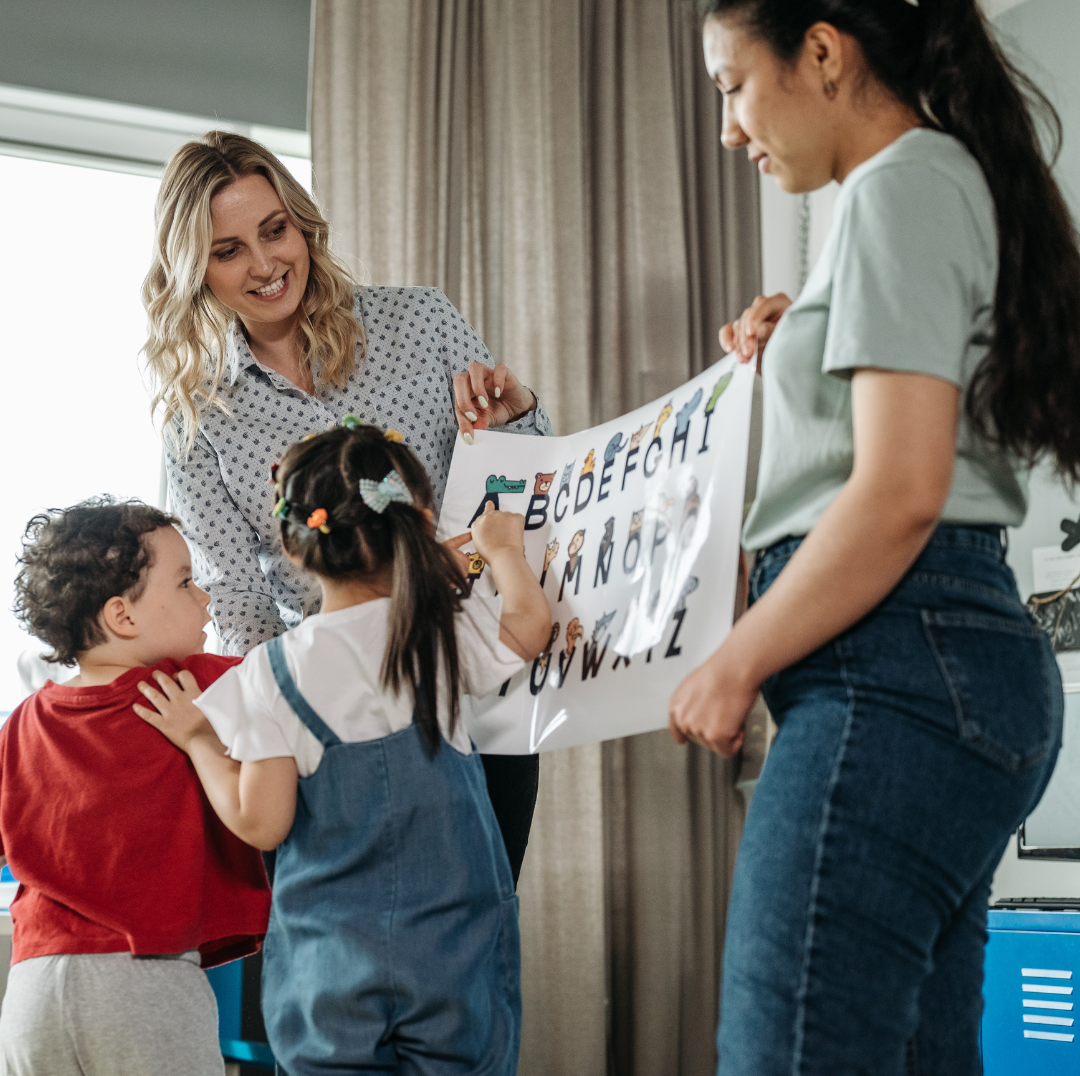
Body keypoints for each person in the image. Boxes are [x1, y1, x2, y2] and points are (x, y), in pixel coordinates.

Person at [669, 1, 1080, 1073]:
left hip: (896, 667)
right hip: (928, 662)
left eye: (732, 87)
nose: (728, 128)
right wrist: (802, 332)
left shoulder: (904, 181)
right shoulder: (920, 187)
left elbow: (899, 489)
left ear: (821, 50)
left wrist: (736, 660)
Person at [142, 132, 551, 884]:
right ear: (194, 270)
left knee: (475, 933)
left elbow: (525, 483)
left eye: (275, 230)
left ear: (302, 225)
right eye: (228, 250)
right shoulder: (197, 419)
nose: (266, 265)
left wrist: (517, 417)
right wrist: (287, 713)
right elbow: (237, 597)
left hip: (475, 687)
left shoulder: (419, 324)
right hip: (333, 726)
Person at [134, 423, 552, 1076]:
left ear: (295, 551)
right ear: (417, 525)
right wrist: (505, 552)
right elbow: (530, 628)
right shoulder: (434, 630)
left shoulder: (269, 671)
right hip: (455, 953)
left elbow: (260, 822)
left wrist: (197, 740)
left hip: (329, 969)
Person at [0, 499, 270, 1076]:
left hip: (31, 987)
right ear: (123, 617)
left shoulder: (22, 722)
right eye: (187, 581)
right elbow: (314, 665)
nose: (206, 598)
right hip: (143, 981)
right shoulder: (192, 685)